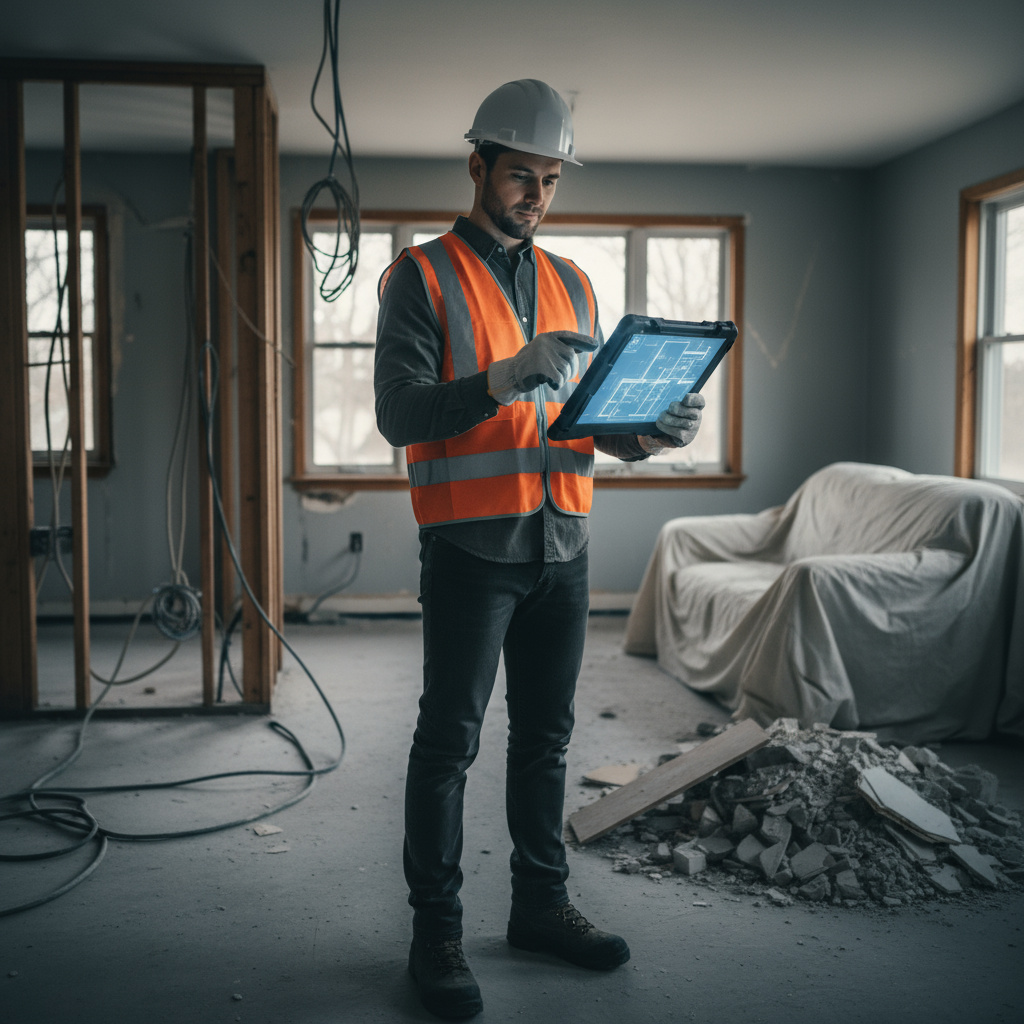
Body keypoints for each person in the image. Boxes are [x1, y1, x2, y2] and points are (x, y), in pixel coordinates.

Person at [374, 78, 704, 1020]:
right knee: (450, 743)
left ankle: (539, 906)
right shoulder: (421, 274)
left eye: (551, 179)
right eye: (522, 174)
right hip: (472, 549)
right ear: (477, 165)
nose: (537, 195)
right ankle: (435, 931)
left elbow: (581, 425)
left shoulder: (574, 283)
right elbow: (399, 414)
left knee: (547, 740)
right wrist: (501, 376)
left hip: (564, 541)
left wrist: (647, 432)